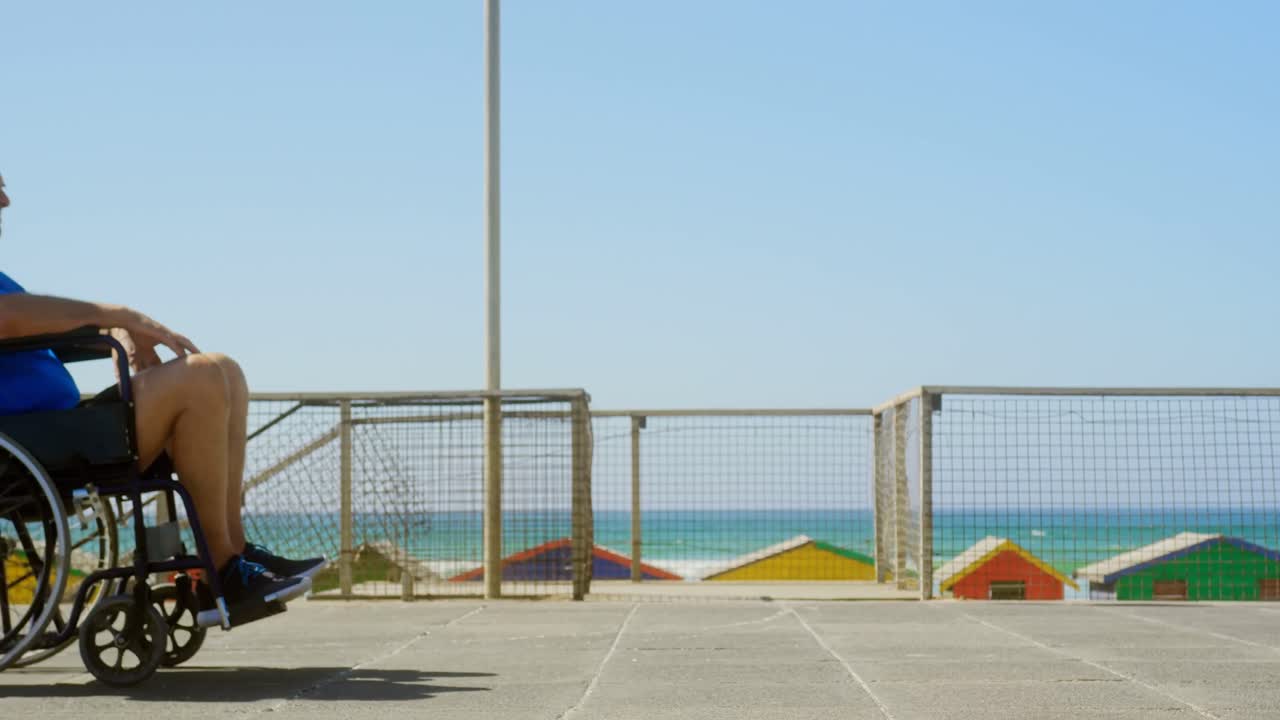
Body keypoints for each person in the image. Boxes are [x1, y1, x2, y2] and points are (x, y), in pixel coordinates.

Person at [0, 172, 324, 622]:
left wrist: (117, 333)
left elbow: (44, 324)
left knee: (225, 370)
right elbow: (9, 320)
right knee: (202, 376)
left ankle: (231, 553)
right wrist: (117, 314)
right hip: (27, 448)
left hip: (54, 432)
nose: (5, 200)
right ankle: (223, 572)